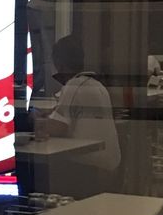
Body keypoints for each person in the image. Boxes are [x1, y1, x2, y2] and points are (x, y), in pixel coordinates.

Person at [37, 35, 121, 189]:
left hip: (91, 166)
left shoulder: (74, 86)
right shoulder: (96, 85)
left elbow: (59, 127)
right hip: (111, 166)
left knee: (41, 174)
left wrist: (33, 122)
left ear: (59, 64)